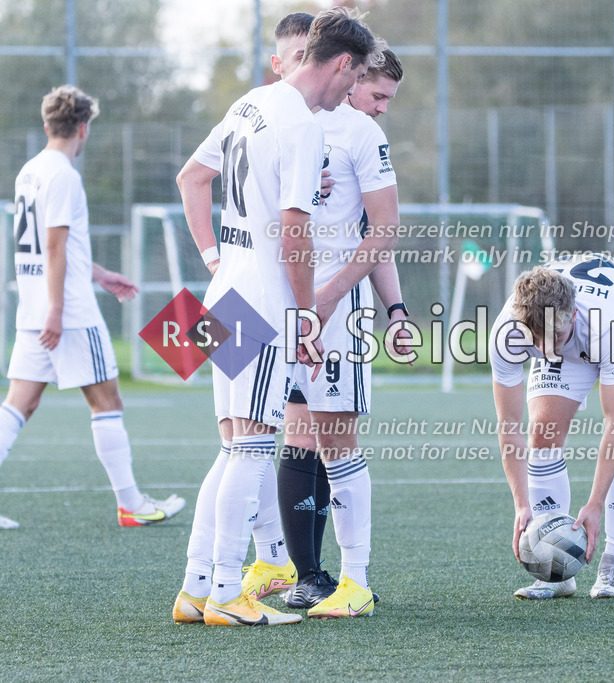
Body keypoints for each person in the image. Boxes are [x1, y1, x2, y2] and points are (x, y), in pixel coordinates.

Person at [171, 7, 381, 627]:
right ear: (341, 63)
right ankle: (227, 595)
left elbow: (192, 177)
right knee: (252, 449)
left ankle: (194, 588)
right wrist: (305, 319)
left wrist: (214, 256)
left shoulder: (250, 103)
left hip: (223, 294)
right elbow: (295, 233)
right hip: (266, 305)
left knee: (232, 445)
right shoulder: (304, 126)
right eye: (356, 79)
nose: (353, 95)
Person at [261, 13, 404, 616]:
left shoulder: (361, 133)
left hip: (335, 311)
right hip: (276, 302)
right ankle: (302, 574)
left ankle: (356, 580)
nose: (381, 106)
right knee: (284, 439)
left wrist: (342, 299)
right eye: (378, 94)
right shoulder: (280, 117)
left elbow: (384, 230)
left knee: (336, 441)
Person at [0, 85, 185, 531]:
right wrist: (58, 311)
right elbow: (56, 247)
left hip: (34, 311)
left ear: (48, 125)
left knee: (17, 407)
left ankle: (132, 503)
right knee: (106, 402)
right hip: (68, 315)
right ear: (84, 129)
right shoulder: (64, 175)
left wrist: (100, 274)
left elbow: (53, 248)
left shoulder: (31, 171)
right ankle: (131, 505)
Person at [491, 255, 614, 600]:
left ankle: (613, 564)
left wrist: (595, 503)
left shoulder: (609, 329)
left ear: (573, 315)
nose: (543, 350)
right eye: (535, 339)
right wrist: (522, 504)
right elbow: (509, 427)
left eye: (552, 336)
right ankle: (553, 572)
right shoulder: (508, 332)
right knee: (542, 434)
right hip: (578, 335)